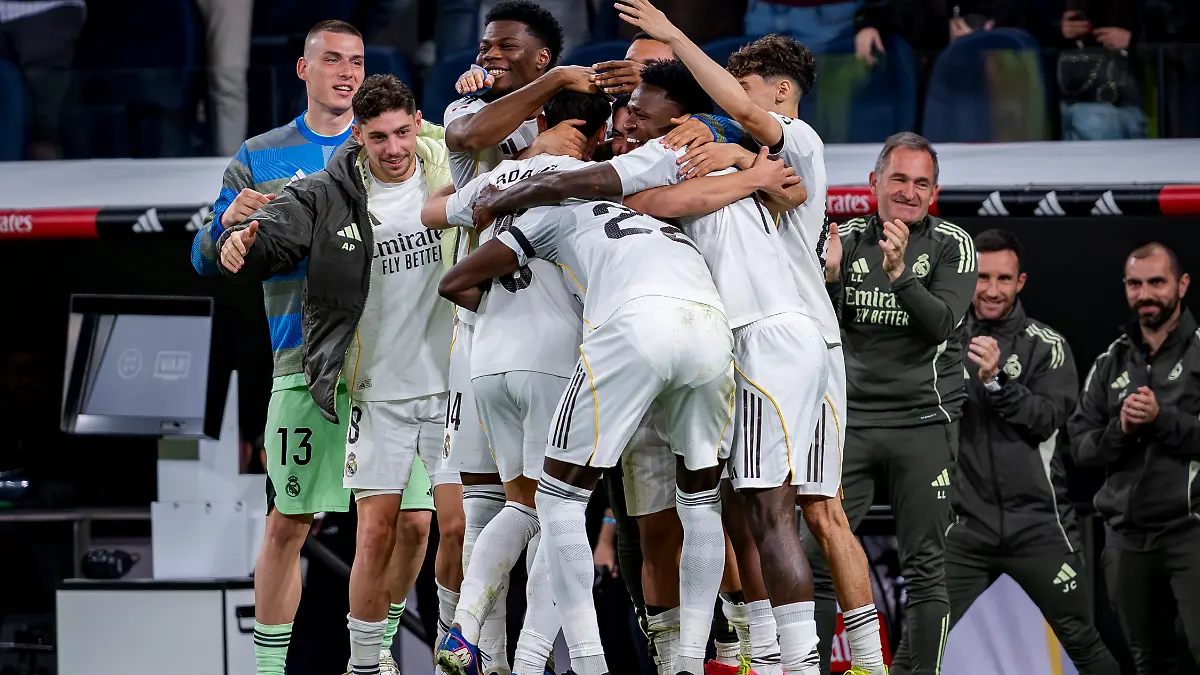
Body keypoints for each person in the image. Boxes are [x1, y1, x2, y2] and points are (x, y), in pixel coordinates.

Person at [616, 2, 887, 673]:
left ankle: (783, 658)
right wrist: (740, 159)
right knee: (800, 507)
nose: (733, 104)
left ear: (781, 91)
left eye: (746, 90)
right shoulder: (757, 165)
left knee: (772, 507)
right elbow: (773, 188)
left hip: (773, 334)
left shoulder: (795, 142)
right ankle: (840, 658)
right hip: (806, 336)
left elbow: (718, 171)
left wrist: (678, 37)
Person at [189, 22, 434, 675]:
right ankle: (268, 671)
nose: (346, 72)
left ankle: (374, 655)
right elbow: (203, 256)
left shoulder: (396, 142)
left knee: (414, 523)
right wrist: (228, 227)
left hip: (391, 368)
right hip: (304, 366)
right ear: (303, 68)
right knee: (290, 520)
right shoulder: (260, 155)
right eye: (331, 60)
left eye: (355, 61)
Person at [425, 90, 595, 675]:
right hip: (551, 357)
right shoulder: (599, 180)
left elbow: (433, 215)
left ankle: (466, 634)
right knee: (554, 515)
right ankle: (524, 659)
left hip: (487, 355)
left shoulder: (507, 174)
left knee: (514, 505)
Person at [438, 3, 573, 659]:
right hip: (484, 334)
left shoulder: (578, 129)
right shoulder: (469, 114)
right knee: (483, 515)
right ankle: (485, 658)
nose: (488, 54)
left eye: (505, 45)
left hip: (556, 333)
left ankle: (511, 655)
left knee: (544, 512)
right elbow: (467, 140)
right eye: (484, 45)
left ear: (539, 54)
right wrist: (548, 94)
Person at [948, 229, 1119, 675]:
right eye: (982, 277)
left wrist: (996, 380)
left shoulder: (1048, 345)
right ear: (968, 278)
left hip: (1040, 529)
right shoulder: (943, 341)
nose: (991, 289)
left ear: (1020, 282)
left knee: (1085, 645)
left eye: (1003, 279)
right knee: (918, 647)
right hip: (963, 531)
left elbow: (1046, 419)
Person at [1068, 241, 1200, 673]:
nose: (1146, 294)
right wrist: (1121, 430)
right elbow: (1081, 447)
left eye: (1157, 282)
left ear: (1181, 285)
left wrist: (1162, 419)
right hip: (1126, 538)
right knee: (1148, 663)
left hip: (1191, 532)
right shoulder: (1110, 361)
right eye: (1135, 284)